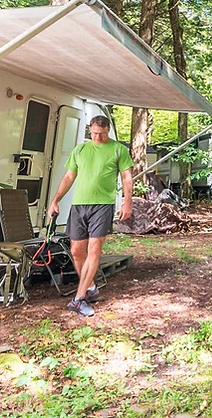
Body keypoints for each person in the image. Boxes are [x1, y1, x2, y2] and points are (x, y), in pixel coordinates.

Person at [47, 115, 133, 316]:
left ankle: (79, 298)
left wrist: (127, 202)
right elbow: (69, 176)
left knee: (94, 249)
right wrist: (55, 200)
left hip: (103, 205)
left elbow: (127, 177)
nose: (97, 137)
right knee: (77, 251)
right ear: (90, 130)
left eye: (101, 134)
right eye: (94, 133)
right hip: (79, 205)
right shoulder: (80, 150)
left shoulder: (118, 150)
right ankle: (91, 287)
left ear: (108, 131)